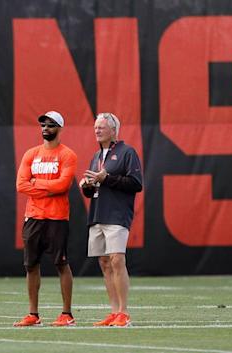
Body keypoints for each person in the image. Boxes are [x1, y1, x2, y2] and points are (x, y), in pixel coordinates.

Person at [14, 111, 78, 327]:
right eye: (42, 124)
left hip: (57, 217)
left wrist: (36, 184)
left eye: (50, 125)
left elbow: (63, 185)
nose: (45, 128)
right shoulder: (31, 154)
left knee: (61, 264)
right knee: (31, 265)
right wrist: (46, 188)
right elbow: (21, 185)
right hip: (33, 217)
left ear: (59, 128)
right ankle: (33, 314)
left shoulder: (67, 155)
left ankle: (67, 314)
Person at [79, 112, 143, 327]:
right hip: (98, 213)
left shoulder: (127, 152)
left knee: (117, 259)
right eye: (96, 127)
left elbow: (136, 183)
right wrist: (88, 186)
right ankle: (114, 311)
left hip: (117, 213)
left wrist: (107, 178)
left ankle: (124, 312)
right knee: (104, 262)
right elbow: (94, 190)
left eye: (101, 127)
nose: (96, 130)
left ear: (113, 130)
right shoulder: (96, 156)